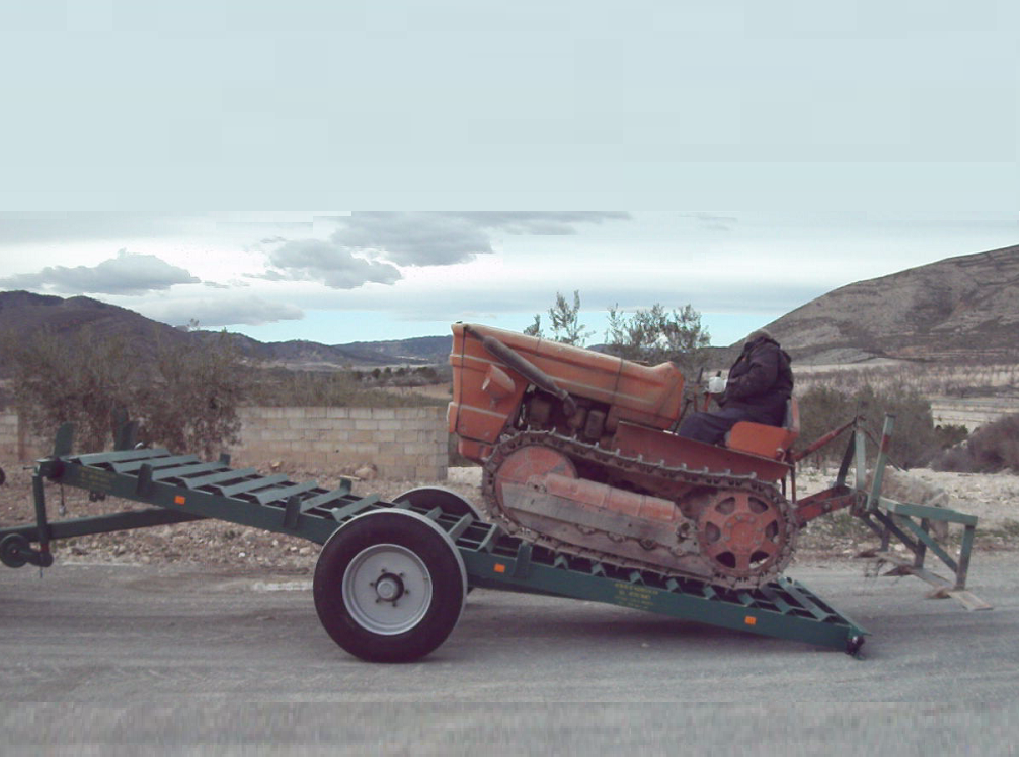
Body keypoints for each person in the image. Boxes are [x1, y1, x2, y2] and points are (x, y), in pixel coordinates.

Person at [677, 329, 793, 445]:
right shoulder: (766, 353)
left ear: (752, 340)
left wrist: (727, 385)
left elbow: (760, 379)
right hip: (757, 412)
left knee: (697, 423)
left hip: (757, 415)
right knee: (701, 423)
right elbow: (751, 388)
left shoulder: (767, 349)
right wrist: (722, 395)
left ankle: (680, 460)